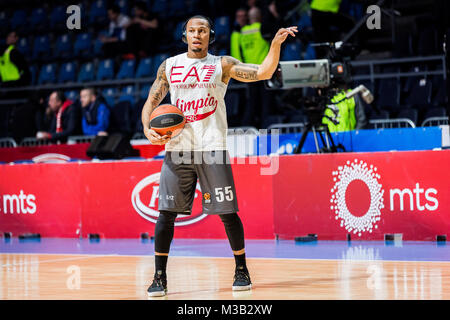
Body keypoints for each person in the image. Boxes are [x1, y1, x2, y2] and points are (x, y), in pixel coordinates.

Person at [141, 14, 297, 297]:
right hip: (177, 149)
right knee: (165, 214)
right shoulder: (170, 66)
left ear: (210, 35)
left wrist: (275, 45)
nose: (196, 34)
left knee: (227, 213)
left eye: (202, 30)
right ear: (185, 35)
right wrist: (146, 127)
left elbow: (262, 72)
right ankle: (159, 277)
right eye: (191, 30)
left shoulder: (221, 64)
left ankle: (241, 269)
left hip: (212, 147)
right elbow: (152, 101)